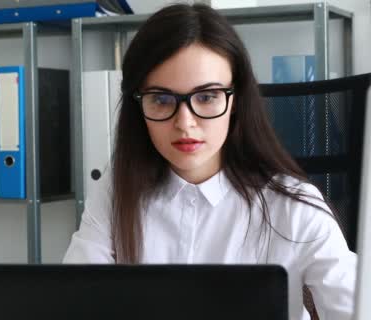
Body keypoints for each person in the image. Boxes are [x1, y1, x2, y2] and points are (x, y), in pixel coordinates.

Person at [63, 3, 357, 320]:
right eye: (162, 99)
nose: (185, 123)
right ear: (139, 106)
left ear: (235, 101)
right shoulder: (116, 190)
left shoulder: (291, 206)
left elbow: (356, 309)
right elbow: (75, 303)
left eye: (206, 97)